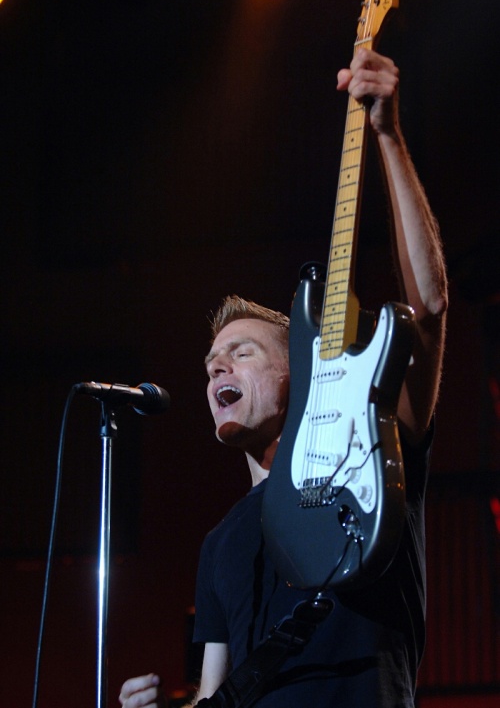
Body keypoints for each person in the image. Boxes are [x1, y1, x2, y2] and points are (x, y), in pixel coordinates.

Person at [119, 48, 448, 708]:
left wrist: (387, 135)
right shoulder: (219, 544)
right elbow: (216, 693)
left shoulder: (369, 458)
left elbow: (430, 307)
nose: (217, 367)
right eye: (211, 363)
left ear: (303, 370)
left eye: (240, 351)